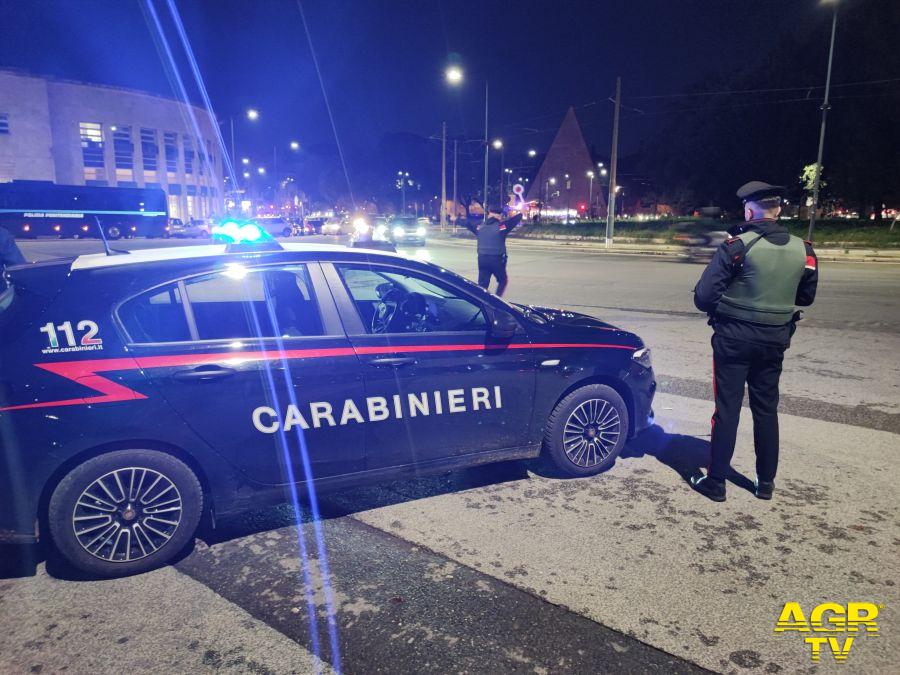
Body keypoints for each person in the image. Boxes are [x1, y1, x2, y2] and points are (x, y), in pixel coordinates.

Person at [690, 181, 818, 502]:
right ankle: (765, 484)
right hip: (775, 342)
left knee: (727, 410)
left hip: (733, 341)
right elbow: (806, 296)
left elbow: (704, 297)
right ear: (778, 210)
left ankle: (716, 482)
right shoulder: (805, 250)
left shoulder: (736, 246)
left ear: (749, 210)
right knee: (766, 410)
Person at [464, 209, 523, 296]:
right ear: (498, 216)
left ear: (489, 215)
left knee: (482, 286)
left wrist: (456, 219)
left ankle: (481, 302)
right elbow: (512, 222)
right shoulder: (501, 227)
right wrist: (521, 214)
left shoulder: (479, 226)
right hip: (497, 260)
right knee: (502, 281)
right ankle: (497, 301)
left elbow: (468, 223)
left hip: (482, 259)